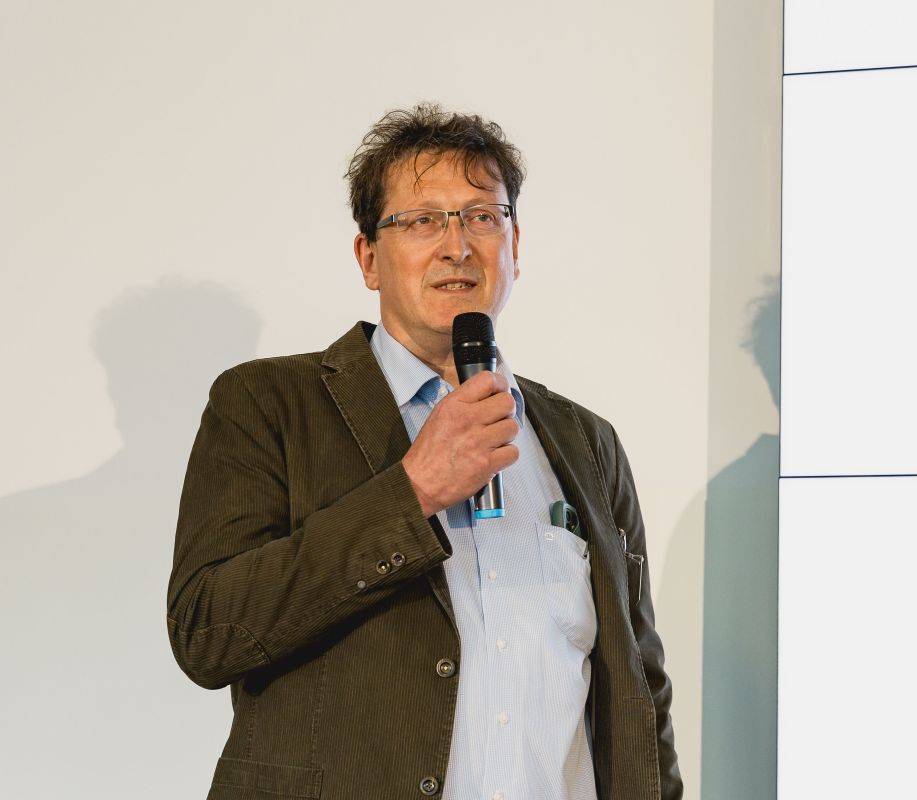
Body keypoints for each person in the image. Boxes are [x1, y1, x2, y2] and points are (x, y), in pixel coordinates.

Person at [167, 104, 682, 800]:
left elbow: (640, 686)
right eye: (421, 221)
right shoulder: (268, 403)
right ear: (368, 258)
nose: (457, 246)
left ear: (515, 245)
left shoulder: (587, 441)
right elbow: (208, 631)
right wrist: (411, 493)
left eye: (482, 216)